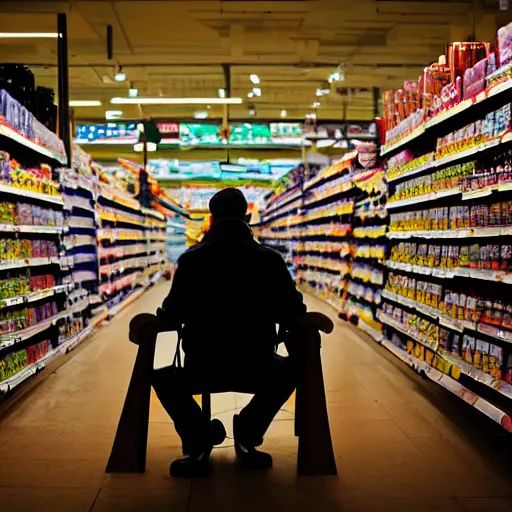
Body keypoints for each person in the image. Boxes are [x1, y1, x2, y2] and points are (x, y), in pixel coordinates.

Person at [152, 187, 307, 477]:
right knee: (298, 366)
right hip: (258, 364)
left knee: (157, 368)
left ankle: (199, 437)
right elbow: (294, 311)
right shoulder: (270, 260)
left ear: (211, 219)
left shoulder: (191, 260)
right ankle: (248, 431)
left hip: (200, 365)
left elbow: (171, 316)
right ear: (247, 217)